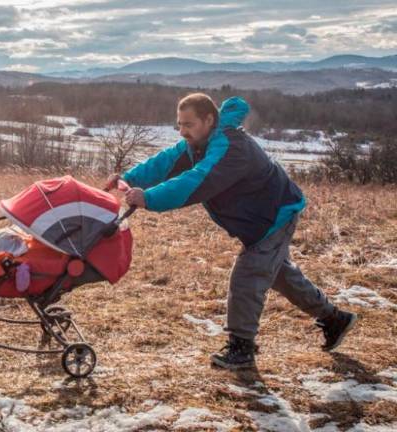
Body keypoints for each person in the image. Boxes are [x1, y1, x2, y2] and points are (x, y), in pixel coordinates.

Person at [106, 93, 357, 370]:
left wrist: (150, 198)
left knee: (248, 274)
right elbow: (164, 162)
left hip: (274, 216)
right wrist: (128, 178)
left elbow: (198, 180)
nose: (182, 131)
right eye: (179, 124)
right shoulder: (196, 143)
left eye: (188, 124)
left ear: (208, 120)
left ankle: (242, 348)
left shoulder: (231, 147)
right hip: (256, 221)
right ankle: (336, 320)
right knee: (280, 276)